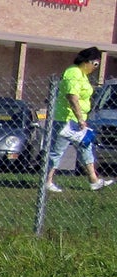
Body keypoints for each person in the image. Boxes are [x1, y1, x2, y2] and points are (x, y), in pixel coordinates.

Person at [45, 46, 113, 193]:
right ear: (87, 61)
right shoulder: (73, 72)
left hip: (77, 121)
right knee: (57, 151)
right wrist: (80, 118)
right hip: (66, 119)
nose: (96, 68)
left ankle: (94, 180)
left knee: (85, 147)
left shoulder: (82, 75)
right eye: (96, 64)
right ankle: (47, 181)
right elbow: (72, 96)